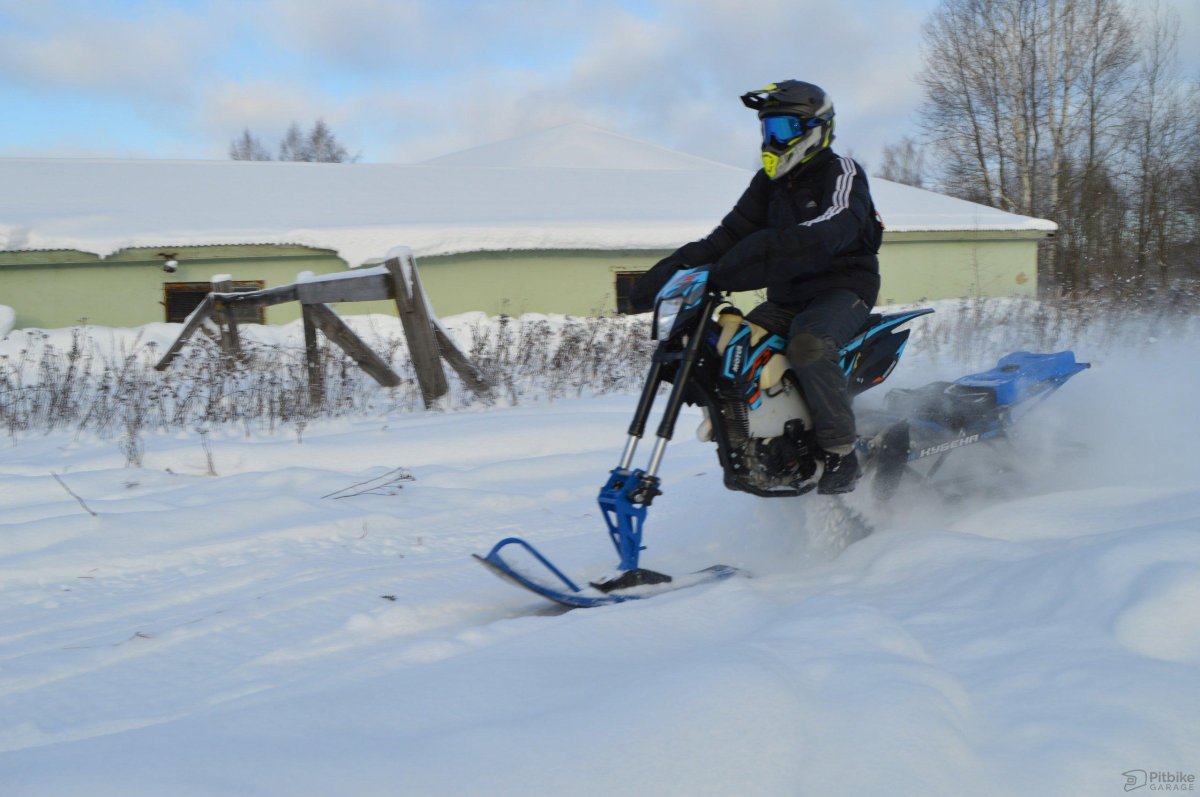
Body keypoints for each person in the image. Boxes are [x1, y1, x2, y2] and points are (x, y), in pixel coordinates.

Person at [629, 80, 883, 494]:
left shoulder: (841, 172)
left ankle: (840, 451)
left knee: (809, 346)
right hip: (787, 296)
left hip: (843, 288)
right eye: (768, 129)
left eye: (784, 128)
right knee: (730, 349)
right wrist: (672, 270)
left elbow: (832, 227)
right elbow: (726, 237)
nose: (773, 139)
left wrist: (765, 249)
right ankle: (765, 442)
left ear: (816, 129)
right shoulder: (768, 184)